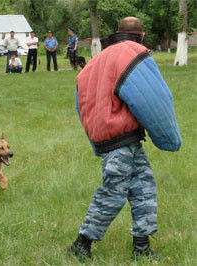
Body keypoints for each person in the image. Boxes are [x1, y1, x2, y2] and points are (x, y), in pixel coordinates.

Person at [68, 17, 182, 261]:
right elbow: (152, 100)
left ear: (118, 32)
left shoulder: (98, 59)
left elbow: (82, 103)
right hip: (120, 139)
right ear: (141, 36)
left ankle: (141, 247)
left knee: (144, 187)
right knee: (113, 192)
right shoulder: (133, 54)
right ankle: (81, 243)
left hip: (119, 139)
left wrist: (95, 141)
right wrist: (170, 139)